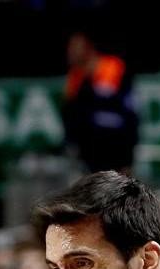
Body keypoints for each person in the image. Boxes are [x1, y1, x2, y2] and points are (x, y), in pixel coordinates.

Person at [62, 31, 139, 174]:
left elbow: (126, 112)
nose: (70, 52)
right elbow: (71, 112)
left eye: (74, 47)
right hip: (88, 152)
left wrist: (128, 157)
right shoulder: (75, 76)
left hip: (115, 145)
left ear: (88, 48)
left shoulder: (112, 67)